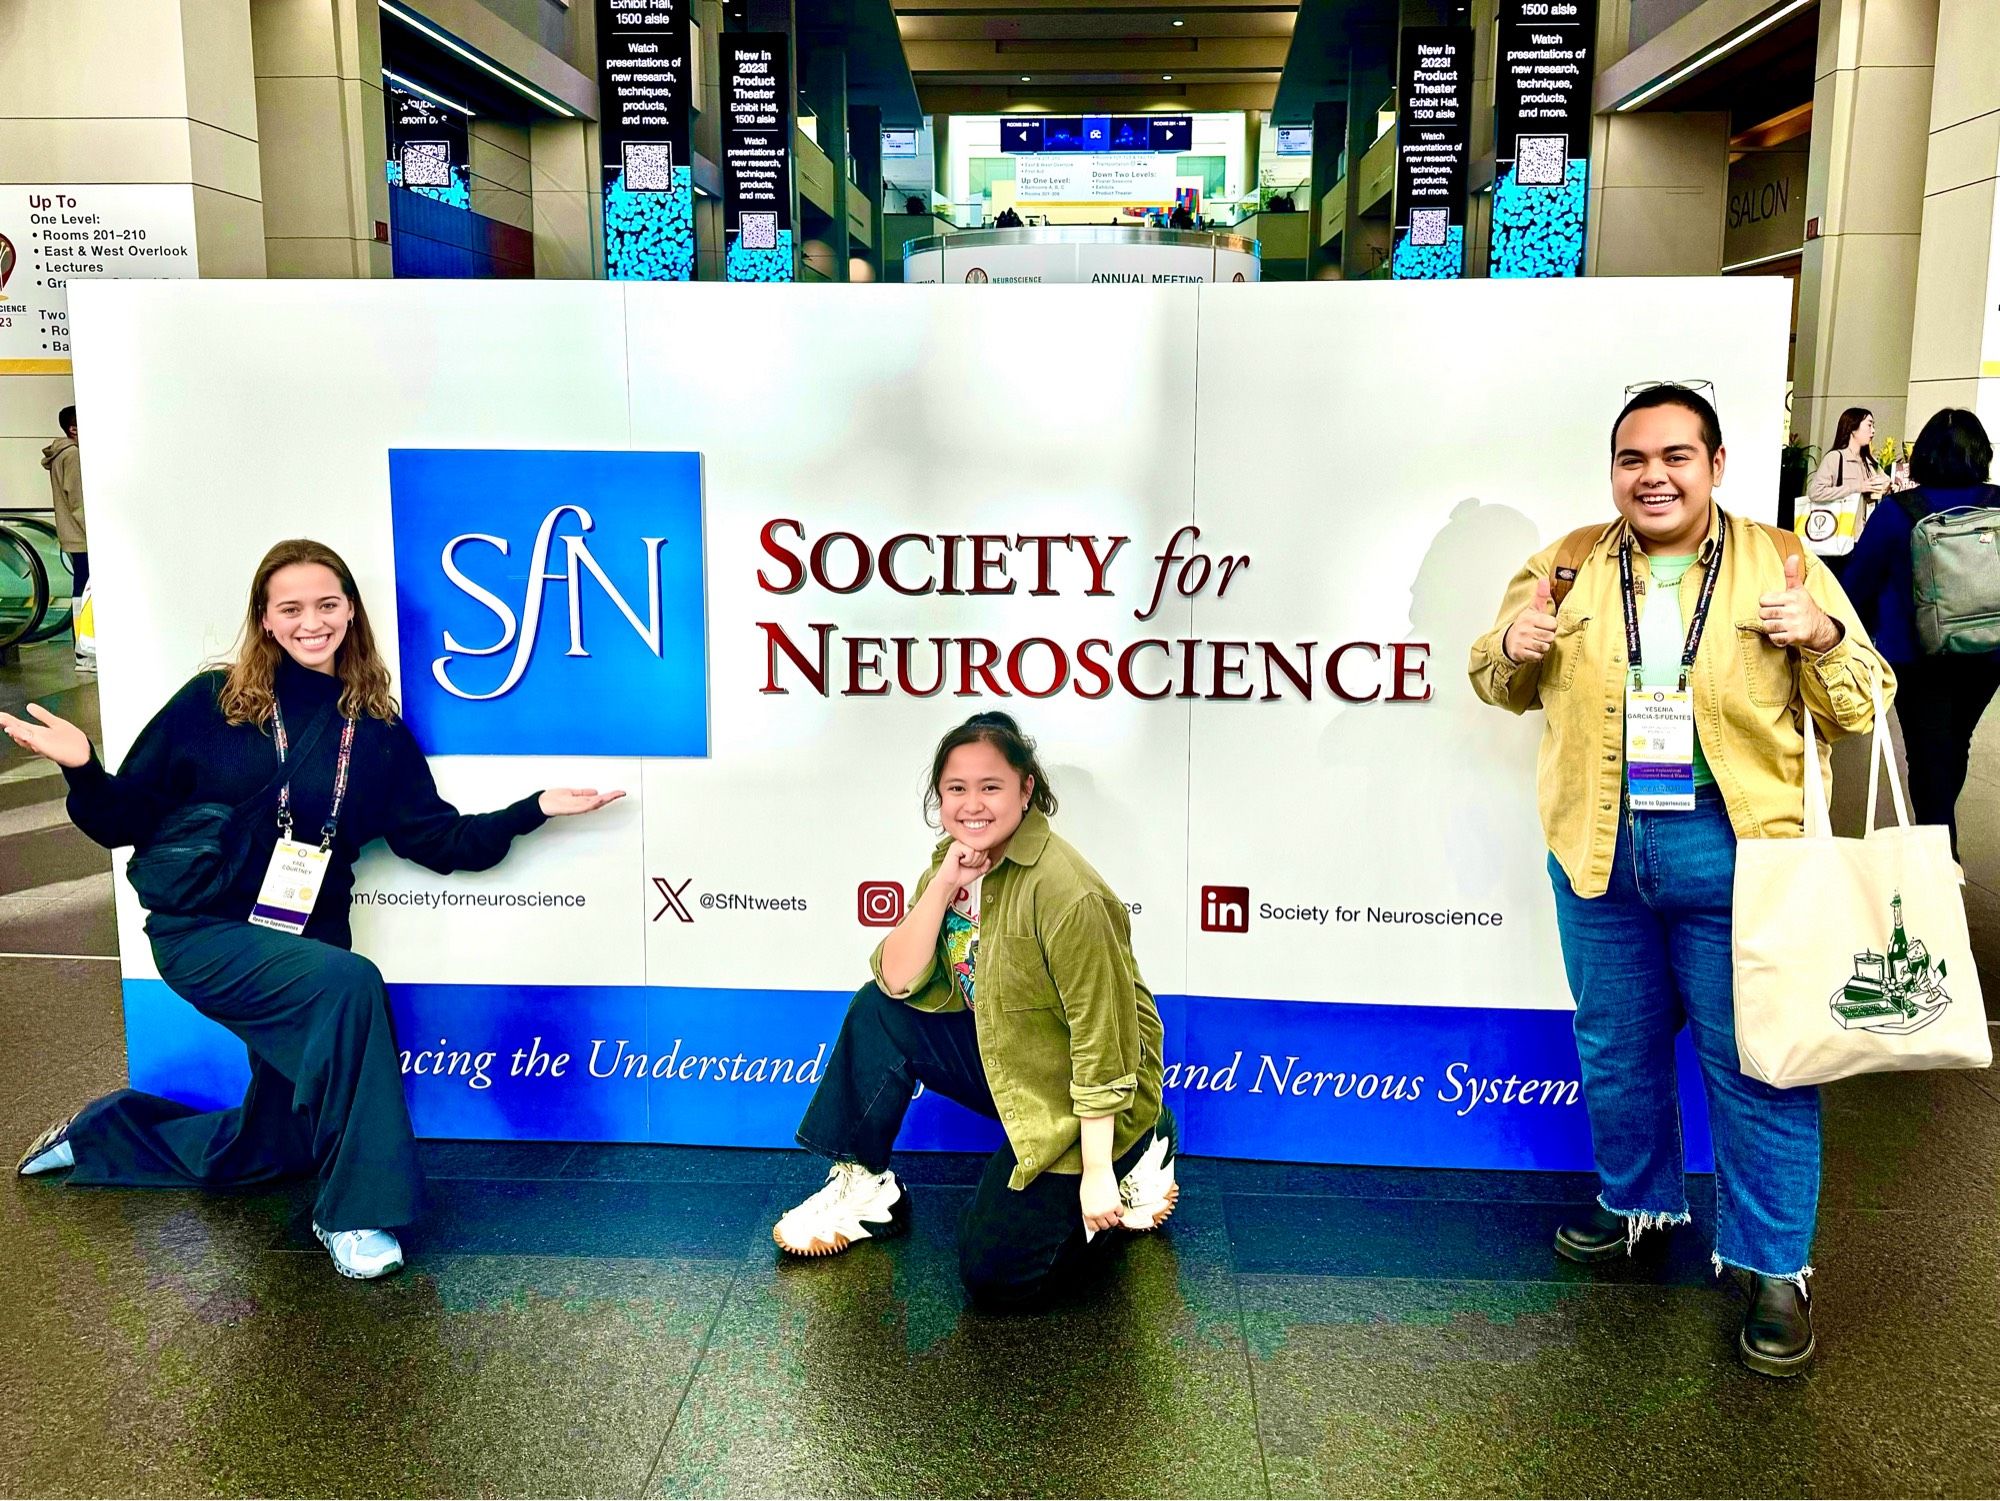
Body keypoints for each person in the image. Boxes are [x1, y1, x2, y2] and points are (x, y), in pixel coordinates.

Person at [4, 539, 624, 1280]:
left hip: (305, 935)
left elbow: (440, 839)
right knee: (351, 982)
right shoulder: (213, 703)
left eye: (327, 604)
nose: (311, 622)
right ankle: (355, 1212)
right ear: (265, 620)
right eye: (290, 608)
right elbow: (122, 820)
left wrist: (535, 809)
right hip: (203, 928)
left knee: (273, 1143)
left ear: (351, 611)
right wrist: (83, 768)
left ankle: (107, 1128)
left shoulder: (378, 732)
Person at [1469, 384, 1893, 1378]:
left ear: (1712, 465)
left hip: (1733, 849)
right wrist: (1508, 648)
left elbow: (1866, 698)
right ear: (1610, 470)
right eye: (1630, 459)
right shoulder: (1563, 564)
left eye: (1673, 456)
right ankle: (1634, 1206)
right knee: (1615, 1046)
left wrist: (1822, 639)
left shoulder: (1781, 562)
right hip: (1599, 843)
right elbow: (1494, 679)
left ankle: (1771, 1265)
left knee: (1759, 1061)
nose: (1650, 475)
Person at [773, 711, 1177, 1309]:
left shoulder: (1069, 892)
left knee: (997, 1277)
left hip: (1084, 1092)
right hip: (1010, 1056)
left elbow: (1104, 1039)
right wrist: (942, 887)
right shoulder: (953, 860)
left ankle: (1137, 1143)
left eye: (991, 787)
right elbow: (897, 979)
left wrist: (1095, 1173)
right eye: (956, 789)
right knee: (877, 1011)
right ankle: (866, 1186)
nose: (973, 804)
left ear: (1026, 789)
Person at [1842, 407, 1999, 852]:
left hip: (1917, 656)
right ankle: (1941, 845)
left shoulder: (1900, 511)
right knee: (1955, 742)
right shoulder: (1999, 504)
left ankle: (1941, 863)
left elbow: (1858, 583)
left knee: (1927, 754)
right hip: (1989, 655)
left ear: (1923, 455)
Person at [41, 405, 88, 669]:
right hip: (83, 537)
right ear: (73, 429)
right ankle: (84, 650)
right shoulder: (72, 456)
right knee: (84, 594)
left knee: (81, 592)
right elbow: (79, 501)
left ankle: (82, 647)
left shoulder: (60, 454)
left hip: (73, 536)